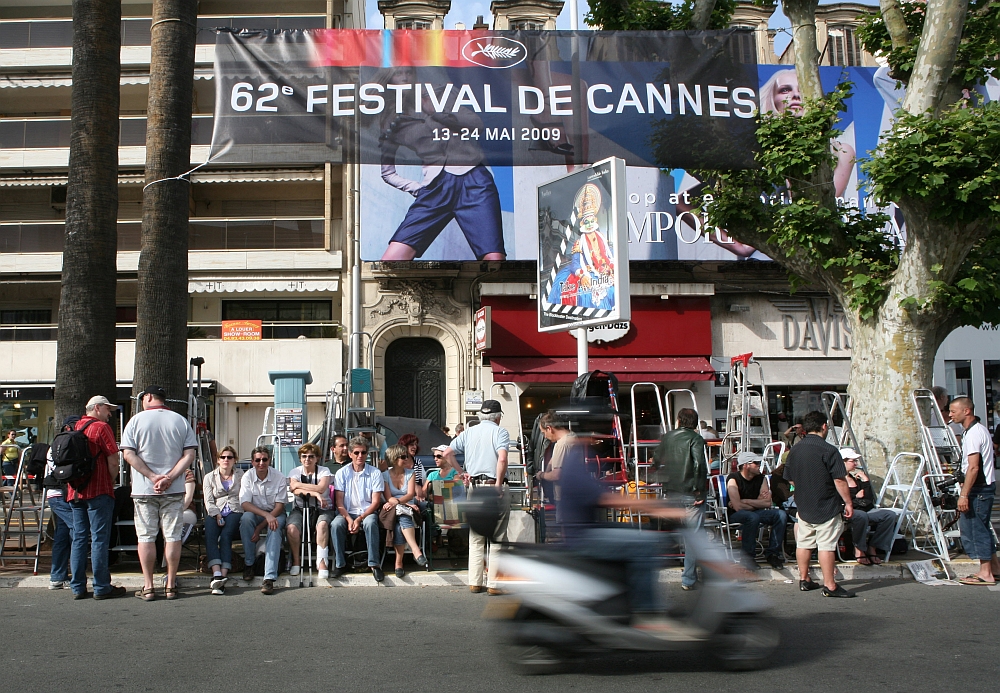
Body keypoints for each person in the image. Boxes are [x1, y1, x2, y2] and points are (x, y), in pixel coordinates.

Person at [558, 437, 708, 640]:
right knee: (644, 544)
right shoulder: (576, 469)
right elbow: (610, 499)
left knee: (640, 532)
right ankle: (647, 614)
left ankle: (631, 601)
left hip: (586, 530)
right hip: (583, 537)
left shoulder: (576, 465)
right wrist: (659, 508)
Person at [378, 67, 505, 261]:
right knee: (391, 260)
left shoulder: (441, 94)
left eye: (408, 72)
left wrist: (437, 112)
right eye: (398, 73)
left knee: (495, 260)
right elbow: (387, 172)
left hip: (475, 180)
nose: (404, 78)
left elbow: (476, 124)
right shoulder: (392, 119)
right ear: (389, 80)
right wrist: (417, 188)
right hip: (435, 187)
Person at [121, 386, 197, 601]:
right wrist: (169, 478)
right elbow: (189, 455)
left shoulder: (135, 421)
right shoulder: (180, 421)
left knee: (146, 537)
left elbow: (128, 454)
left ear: (147, 397)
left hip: (144, 490)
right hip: (174, 489)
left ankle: (148, 586)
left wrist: (153, 477)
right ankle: (171, 584)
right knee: (172, 536)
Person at [442, 399, 509, 595]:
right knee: (497, 537)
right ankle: (494, 584)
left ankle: (475, 582)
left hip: (474, 486)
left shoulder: (468, 432)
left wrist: (461, 472)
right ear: (498, 417)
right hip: (493, 485)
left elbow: (447, 453)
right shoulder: (500, 432)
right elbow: (502, 458)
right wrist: (498, 484)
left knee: (476, 536)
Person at [784, 410, 854, 598]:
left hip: (803, 503)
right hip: (826, 504)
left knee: (804, 543)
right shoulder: (829, 450)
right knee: (826, 546)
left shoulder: (795, 450)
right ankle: (830, 585)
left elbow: (789, 478)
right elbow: (839, 480)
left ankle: (804, 578)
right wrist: (848, 502)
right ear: (824, 426)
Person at [759, 69, 855, 198]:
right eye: (785, 90)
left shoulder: (841, 152)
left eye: (802, 90)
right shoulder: (758, 149)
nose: (796, 95)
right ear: (771, 98)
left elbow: (822, 201)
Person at [67, 396, 127, 599]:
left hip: (74, 491)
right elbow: (113, 461)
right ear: (97, 408)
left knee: (79, 538)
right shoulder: (101, 428)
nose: (110, 414)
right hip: (99, 489)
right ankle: (101, 586)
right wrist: (110, 481)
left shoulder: (73, 427)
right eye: (108, 409)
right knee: (99, 539)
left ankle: (77, 587)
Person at [652, 407, 709, 590]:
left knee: (674, 532)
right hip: (691, 493)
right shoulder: (695, 439)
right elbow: (699, 464)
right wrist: (700, 491)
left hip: (671, 491)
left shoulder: (668, 437)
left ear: (678, 420)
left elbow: (656, 458)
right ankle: (688, 579)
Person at [948, 397, 1000, 585]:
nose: (950, 415)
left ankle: (985, 573)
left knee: (975, 530)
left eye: (953, 411)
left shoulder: (973, 434)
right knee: (982, 528)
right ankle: (994, 568)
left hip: (978, 489)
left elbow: (973, 467)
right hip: (982, 487)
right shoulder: (977, 430)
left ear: (966, 411)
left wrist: (964, 495)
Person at [331, 437, 386, 581]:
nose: (360, 456)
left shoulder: (375, 473)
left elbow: (376, 502)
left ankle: (374, 564)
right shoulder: (341, 473)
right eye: (356, 452)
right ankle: (340, 564)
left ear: (367, 454)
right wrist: (349, 519)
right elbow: (339, 502)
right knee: (336, 524)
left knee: (370, 523)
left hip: (367, 512)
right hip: (347, 512)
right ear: (350, 454)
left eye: (363, 452)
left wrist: (360, 518)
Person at [726, 451, 788, 570]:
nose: (760, 465)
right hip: (735, 514)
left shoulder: (761, 478)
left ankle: (773, 554)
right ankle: (747, 558)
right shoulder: (733, 479)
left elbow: (767, 503)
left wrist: (745, 501)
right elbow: (738, 507)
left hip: (755, 512)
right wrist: (757, 503)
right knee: (752, 517)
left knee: (780, 514)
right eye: (756, 463)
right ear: (746, 465)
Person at [239, 446, 286, 594]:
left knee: (274, 527)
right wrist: (265, 516)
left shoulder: (279, 476)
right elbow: (245, 504)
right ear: (252, 462)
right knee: (246, 519)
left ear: (269, 460)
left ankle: (269, 577)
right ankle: (249, 564)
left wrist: (260, 527)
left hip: (276, 513)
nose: (261, 463)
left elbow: (279, 506)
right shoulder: (247, 476)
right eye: (258, 460)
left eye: (264, 459)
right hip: (257, 513)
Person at [286, 442, 335, 579]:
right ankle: (296, 561)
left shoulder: (324, 471)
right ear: (300, 458)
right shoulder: (295, 472)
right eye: (304, 456)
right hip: (300, 508)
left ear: (317, 458)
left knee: (322, 525)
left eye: (311, 456)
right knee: (291, 528)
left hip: (322, 508)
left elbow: (321, 488)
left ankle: (322, 562)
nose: (307, 459)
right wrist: (315, 494)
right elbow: (295, 491)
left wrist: (298, 485)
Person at [840, 448, 896, 566]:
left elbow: (868, 499)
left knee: (889, 515)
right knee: (861, 516)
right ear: (843, 462)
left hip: (864, 510)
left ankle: (873, 546)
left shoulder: (855, 479)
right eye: (853, 461)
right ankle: (859, 548)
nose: (855, 464)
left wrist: (865, 481)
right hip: (847, 511)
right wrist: (856, 497)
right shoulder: (838, 480)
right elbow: (840, 500)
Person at [202, 446, 244, 595]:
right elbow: (208, 500)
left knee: (226, 535)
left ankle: (223, 574)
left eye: (229, 457)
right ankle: (217, 574)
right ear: (218, 460)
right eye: (223, 457)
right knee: (210, 534)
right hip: (216, 510)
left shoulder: (241, 474)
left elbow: (244, 495)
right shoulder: (209, 477)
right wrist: (217, 515)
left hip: (235, 510)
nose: (226, 460)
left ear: (234, 460)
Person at [381, 444, 428, 577]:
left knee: (399, 526)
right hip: (392, 508)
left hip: (405, 507)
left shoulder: (410, 473)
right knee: (402, 514)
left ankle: (398, 563)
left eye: (406, 456)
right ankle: (416, 551)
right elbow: (388, 497)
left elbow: (410, 494)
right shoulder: (385, 475)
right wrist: (400, 503)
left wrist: (401, 503)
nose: (407, 458)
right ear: (394, 458)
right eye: (403, 456)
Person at [43, 416, 79, 590]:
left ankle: (57, 577)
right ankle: (76, 576)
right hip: (62, 494)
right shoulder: (67, 444)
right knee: (77, 531)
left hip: (55, 493)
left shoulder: (55, 445)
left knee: (62, 535)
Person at [535, 411, 575, 504]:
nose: (545, 436)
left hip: (564, 497)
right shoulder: (572, 436)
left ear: (549, 428)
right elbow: (556, 458)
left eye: (544, 433)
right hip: (573, 493)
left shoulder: (562, 444)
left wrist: (541, 475)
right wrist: (547, 469)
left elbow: (556, 475)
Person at [397, 433, 427, 501]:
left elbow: (422, 481)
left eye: (416, 444)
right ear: (404, 446)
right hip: (401, 496)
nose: (415, 447)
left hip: (416, 497)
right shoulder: (398, 462)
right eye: (411, 444)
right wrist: (414, 485)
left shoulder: (417, 462)